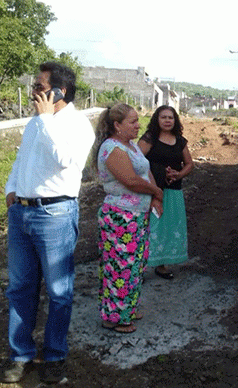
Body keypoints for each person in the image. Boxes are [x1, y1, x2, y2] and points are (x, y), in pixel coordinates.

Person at [2, 62, 95, 384]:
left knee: (58, 292)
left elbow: (64, 160)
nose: (33, 91)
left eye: (39, 86)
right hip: (22, 214)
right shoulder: (34, 124)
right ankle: (20, 354)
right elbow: (21, 159)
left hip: (54, 215)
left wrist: (44, 121)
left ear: (60, 91)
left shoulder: (78, 125)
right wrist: (11, 188)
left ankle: (55, 356)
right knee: (20, 289)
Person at [93, 103, 163, 334]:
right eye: (132, 122)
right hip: (121, 217)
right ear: (117, 126)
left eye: (137, 120)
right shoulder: (112, 148)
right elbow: (131, 180)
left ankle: (127, 309)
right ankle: (116, 318)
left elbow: (145, 171)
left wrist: (154, 195)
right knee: (120, 267)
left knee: (135, 265)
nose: (137, 125)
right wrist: (156, 192)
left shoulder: (130, 145)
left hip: (136, 216)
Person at [138, 105, 193, 279]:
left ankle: (161, 266)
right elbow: (137, 161)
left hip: (173, 192)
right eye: (164, 117)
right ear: (157, 119)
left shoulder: (180, 140)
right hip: (151, 192)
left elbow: (189, 164)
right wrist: (158, 173)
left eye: (171, 117)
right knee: (149, 227)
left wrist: (178, 175)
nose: (168, 120)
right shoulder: (149, 138)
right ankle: (138, 270)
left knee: (166, 229)